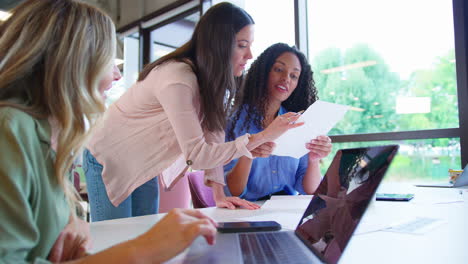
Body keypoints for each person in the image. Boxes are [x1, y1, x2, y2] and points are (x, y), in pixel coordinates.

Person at [0, 0, 219, 263]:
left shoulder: (48, 138)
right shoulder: (11, 129)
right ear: (74, 62)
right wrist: (143, 249)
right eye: (108, 61)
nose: (116, 75)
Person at [83, 2, 303, 221]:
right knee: (113, 242)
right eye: (242, 45)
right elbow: (197, 155)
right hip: (108, 157)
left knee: (141, 236)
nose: (250, 55)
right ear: (219, 45)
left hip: (141, 164)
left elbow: (214, 138)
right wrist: (264, 135)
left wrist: (219, 194)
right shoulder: (177, 78)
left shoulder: (209, 84)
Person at [224, 43, 333, 201]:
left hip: (286, 211)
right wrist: (248, 154)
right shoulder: (233, 122)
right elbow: (232, 191)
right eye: (279, 69)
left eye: (293, 76)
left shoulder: (297, 123)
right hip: (246, 212)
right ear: (264, 72)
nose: (286, 79)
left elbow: (310, 190)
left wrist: (314, 159)